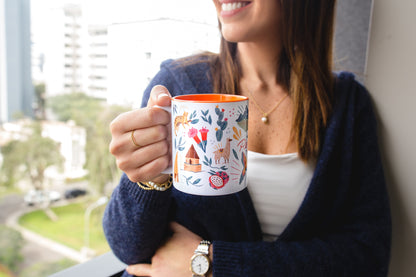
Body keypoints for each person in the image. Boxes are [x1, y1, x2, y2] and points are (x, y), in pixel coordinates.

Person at [103, 0, 392, 276]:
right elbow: (129, 249)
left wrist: (212, 264)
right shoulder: (178, 86)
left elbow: (368, 256)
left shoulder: (347, 106)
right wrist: (145, 180)